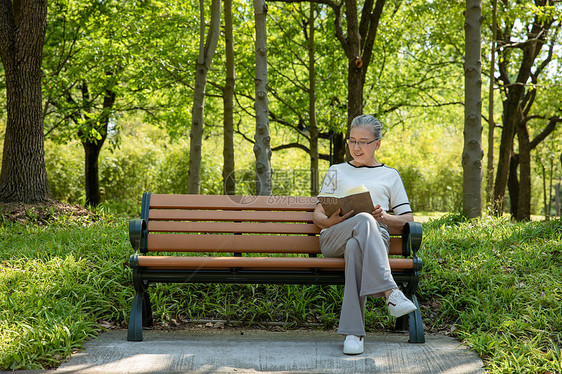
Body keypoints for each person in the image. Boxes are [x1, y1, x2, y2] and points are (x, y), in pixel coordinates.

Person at [313, 114, 417, 355]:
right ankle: (390, 292)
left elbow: (407, 220)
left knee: (355, 247)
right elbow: (317, 216)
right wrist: (332, 219)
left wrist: (385, 218)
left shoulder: (390, 175)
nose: (356, 147)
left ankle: (354, 334)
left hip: (373, 238)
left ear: (377, 144)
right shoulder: (336, 170)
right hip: (334, 237)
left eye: (363, 142)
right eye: (352, 141)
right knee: (361, 222)